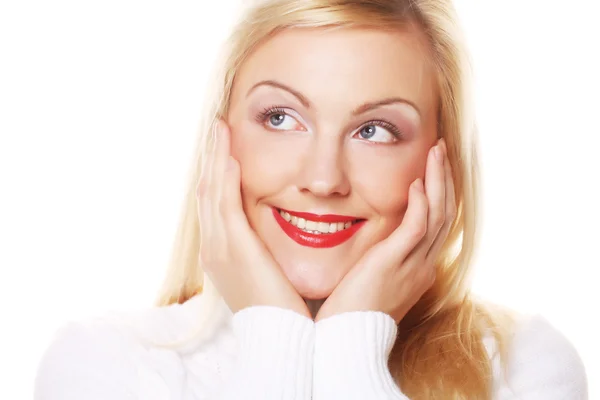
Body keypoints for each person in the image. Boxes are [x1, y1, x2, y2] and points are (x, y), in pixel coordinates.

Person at [34, 0, 588, 399]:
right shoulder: (104, 364)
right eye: (281, 118)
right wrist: (275, 332)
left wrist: (351, 344)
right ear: (220, 138)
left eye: (375, 130)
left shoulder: (522, 366)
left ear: (441, 160)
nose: (324, 180)